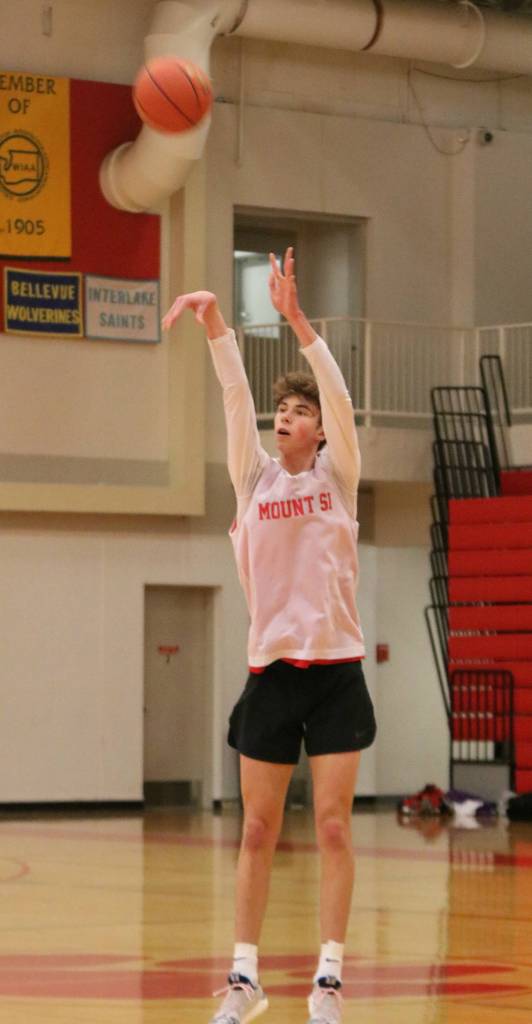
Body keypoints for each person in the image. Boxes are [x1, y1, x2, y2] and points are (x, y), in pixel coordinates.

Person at [162, 247, 376, 1024]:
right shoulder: (253, 480)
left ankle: (328, 982)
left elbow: (343, 401)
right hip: (272, 675)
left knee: (330, 826)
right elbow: (231, 393)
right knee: (255, 827)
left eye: (299, 413)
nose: (283, 418)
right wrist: (218, 322)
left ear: (319, 433)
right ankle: (246, 979)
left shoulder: (336, 477)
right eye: (280, 411)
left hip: (338, 670)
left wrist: (295, 321)